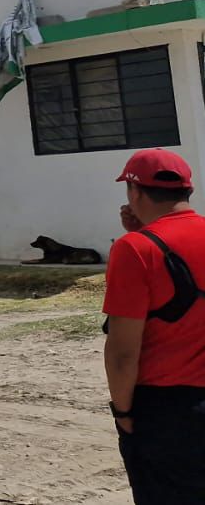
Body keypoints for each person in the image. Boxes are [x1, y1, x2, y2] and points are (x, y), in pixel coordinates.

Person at [103, 148, 205, 502]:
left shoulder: (134, 250)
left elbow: (122, 353)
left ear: (134, 192)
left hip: (168, 411)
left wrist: (123, 413)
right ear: (188, 190)